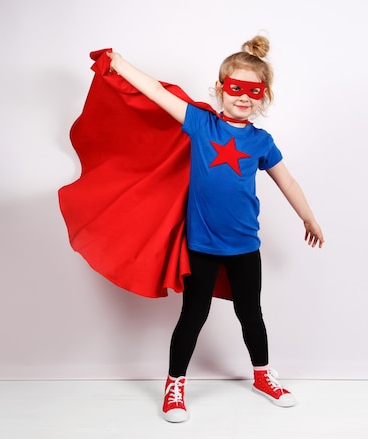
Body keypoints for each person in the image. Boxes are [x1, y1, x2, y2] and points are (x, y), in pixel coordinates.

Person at [107, 35, 324, 423]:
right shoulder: (201, 123)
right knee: (193, 314)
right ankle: (174, 385)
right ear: (221, 88)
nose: (243, 97)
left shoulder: (261, 141)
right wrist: (120, 64)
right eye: (236, 88)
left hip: (244, 246)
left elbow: (287, 182)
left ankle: (262, 376)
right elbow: (156, 92)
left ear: (263, 95)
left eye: (252, 91)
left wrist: (307, 217)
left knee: (251, 314)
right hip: (203, 245)